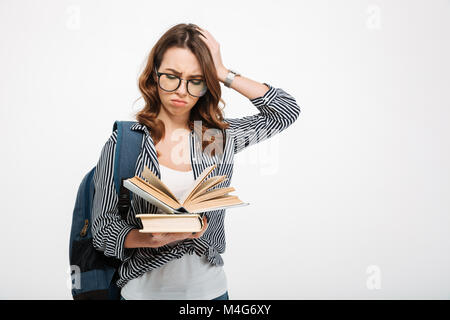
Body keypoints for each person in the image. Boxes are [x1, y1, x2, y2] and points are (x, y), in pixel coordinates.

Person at [91, 23, 301, 300]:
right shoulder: (127, 142)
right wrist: (148, 239)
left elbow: (284, 111)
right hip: (143, 294)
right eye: (171, 76)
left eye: (196, 80)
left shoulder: (214, 137)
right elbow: (103, 228)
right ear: (154, 76)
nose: (181, 90)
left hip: (211, 292)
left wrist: (223, 72)